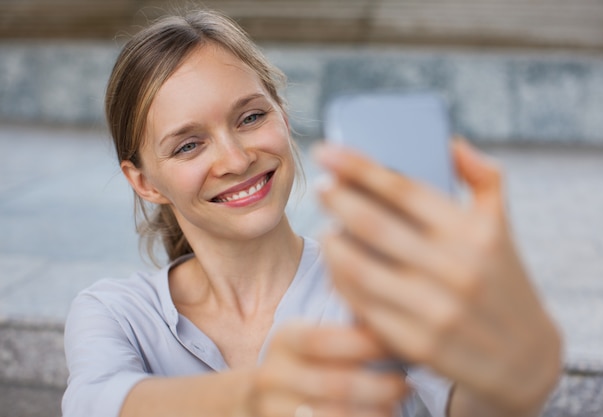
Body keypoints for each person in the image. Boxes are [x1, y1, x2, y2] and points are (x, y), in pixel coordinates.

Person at [62, 9, 562, 417]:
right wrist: (259, 397)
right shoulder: (116, 314)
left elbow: (466, 400)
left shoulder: (381, 287)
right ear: (145, 182)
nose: (236, 160)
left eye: (252, 117)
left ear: (282, 113)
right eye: (189, 145)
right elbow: (93, 402)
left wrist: (511, 384)